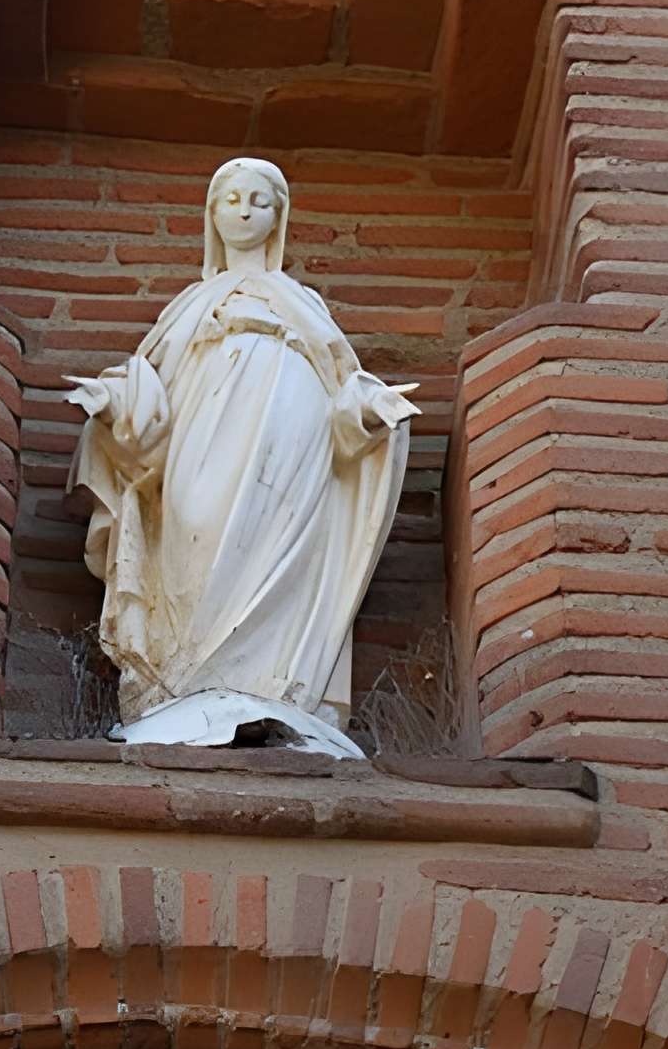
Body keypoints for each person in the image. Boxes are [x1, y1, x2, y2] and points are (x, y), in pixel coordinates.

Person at [66, 157, 418, 755]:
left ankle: (273, 690)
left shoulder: (301, 301)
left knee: (278, 543)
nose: (246, 210)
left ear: (279, 216)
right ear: (211, 214)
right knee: (191, 523)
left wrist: (367, 411)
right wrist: (117, 403)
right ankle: (181, 687)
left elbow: (342, 389)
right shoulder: (188, 305)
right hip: (203, 430)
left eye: (260, 200)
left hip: (292, 429)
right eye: (231, 199)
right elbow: (156, 387)